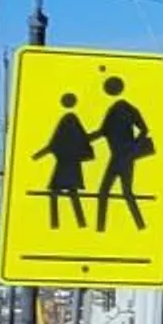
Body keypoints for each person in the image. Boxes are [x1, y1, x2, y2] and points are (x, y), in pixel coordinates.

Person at [95, 75, 157, 230]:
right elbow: (102, 132)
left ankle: (137, 225)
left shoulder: (126, 109)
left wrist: (132, 147)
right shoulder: (114, 110)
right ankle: (102, 227)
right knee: (114, 193)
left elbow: (144, 129)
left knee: (116, 192)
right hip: (118, 156)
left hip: (123, 157)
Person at [35, 95, 97, 230]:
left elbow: (53, 144)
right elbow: (83, 139)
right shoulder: (72, 120)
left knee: (58, 193)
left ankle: (58, 222)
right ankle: (76, 222)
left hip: (65, 164)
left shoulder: (68, 120)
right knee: (69, 193)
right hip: (71, 165)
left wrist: (38, 155)